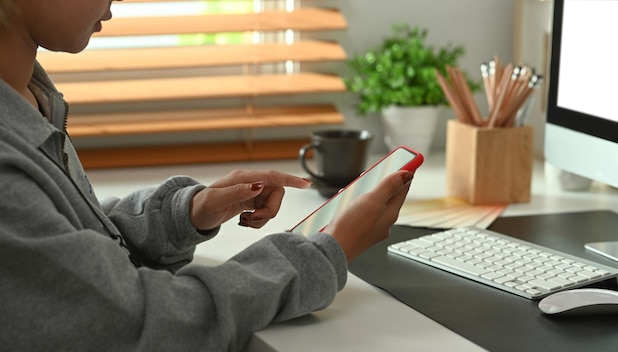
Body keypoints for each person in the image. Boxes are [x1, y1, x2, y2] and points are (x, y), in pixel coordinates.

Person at [0, 0, 414, 351]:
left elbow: (69, 245)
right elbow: (142, 321)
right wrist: (324, 253)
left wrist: (186, 214)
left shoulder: (29, 95)